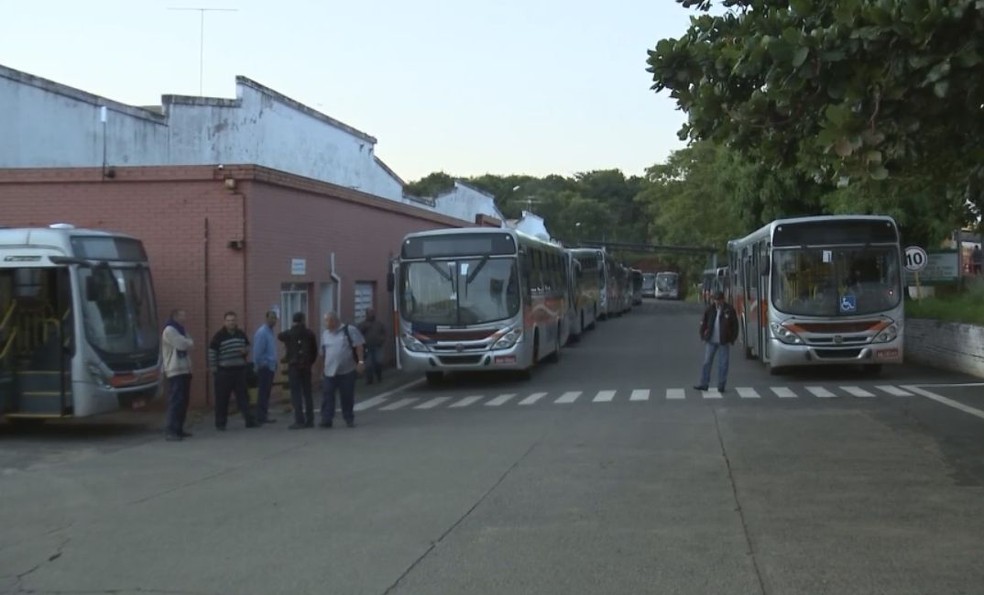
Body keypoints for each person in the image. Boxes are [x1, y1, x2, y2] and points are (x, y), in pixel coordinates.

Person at [208, 311, 257, 430]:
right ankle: (220, 423)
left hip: (239, 371)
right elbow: (212, 352)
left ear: (236, 322)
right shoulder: (219, 336)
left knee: (243, 397)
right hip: (224, 371)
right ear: (224, 322)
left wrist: (245, 350)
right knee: (222, 399)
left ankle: (249, 421)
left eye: (233, 320)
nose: (231, 323)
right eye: (229, 321)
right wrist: (214, 368)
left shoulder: (240, 334)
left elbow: (248, 346)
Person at [319, 312, 365, 429]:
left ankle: (349, 418)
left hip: (347, 371)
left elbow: (359, 346)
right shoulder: (325, 334)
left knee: (347, 396)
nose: (326, 324)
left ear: (335, 321)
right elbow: (323, 352)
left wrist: (360, 362)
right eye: (325, 321)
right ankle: (327, 418)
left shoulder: (349, 330)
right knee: (327, 395)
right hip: (329, 371)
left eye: (327, 321)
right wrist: (322, 368)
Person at [278, 312, 318, 430]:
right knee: (307, 394)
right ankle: (310, 420)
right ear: (304, 320)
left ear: (293, 321)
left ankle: (299, 420)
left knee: (296, 394)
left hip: (294, 366)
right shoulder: (310, 333)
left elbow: (279, 336)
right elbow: (314, 351)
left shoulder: (289, 333)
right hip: (306, 366)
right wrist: (310, 362)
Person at [694, 290, 739, 393]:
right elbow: (703, 322)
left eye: (719, 300)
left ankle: (721, 385)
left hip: (724, 341)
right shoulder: (710, 309)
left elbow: (735, 325)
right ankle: (704, 384)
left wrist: (732, 338)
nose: (717, 302)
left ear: (723, 299)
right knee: (707, 362)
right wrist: (702, 335)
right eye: (715, 300)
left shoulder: (729, 310)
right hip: (711, 340)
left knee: (723, 364)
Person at [162, 308, 194, 441]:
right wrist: (187, 342)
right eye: (182, 315)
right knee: (176, 401)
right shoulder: (170, 330)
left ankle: (179, 428)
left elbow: (190, 342)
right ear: (175, 316)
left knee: (183, 401)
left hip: (185, 369)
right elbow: (182, 344)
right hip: (175, 370)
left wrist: (187, 342)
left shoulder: (181, 329)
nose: (184, 317)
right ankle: (171, 430)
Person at [252, 310, 279, 424]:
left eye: (275, 318)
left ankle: (263, 414)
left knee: (266, 392)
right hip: (265, 367)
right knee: (263, 392)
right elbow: (258, 352)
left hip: (270, 366)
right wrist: (262, 364)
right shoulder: (262, 332)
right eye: (271, 317)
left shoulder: (270, 332)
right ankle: (261, 416)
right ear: (266, 318)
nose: (273, 320)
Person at [357, 307, 386, 385]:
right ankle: (369, 380)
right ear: (366, 314)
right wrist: (364, 328)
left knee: (378, 362)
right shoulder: (362, 324)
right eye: (370, 313)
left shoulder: (379, 324)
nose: (371, 314)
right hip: (367, 347)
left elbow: (384, 333)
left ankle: (379, 376)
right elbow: (358, 334)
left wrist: (382, 340)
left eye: (372, 313)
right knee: (368, 365)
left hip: (377, 346)